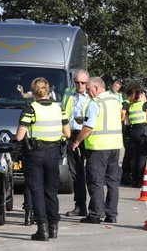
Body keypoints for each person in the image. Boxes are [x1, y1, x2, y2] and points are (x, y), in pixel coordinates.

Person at [14, 77, 68, 241]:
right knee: (51, 191)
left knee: (36, 190)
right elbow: (67, 133)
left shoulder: (31, 108)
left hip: (35, 154)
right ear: (49, 90)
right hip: (53, 153)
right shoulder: (59, 108)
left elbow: (19, 136)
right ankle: (54, 228)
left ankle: (42, 230)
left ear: (33, 91)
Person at [71, 77, 124, 224]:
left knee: (95, 181)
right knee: (112, 181)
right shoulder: (115, 101)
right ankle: (111, 214)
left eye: (88, 89)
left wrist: (76, 141)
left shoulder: (95, 103)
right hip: (114, 146)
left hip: (98, 148)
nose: (87, 93)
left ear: (96, 87)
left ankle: (95, 214)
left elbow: (88, 127)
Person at [120, 81, 147, 189]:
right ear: (141, 95)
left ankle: (134, 181)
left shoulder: (132, 105)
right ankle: (140, 181)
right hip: (143, 132)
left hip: (133, 132)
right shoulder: (146, 104)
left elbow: (127, 121)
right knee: (142, 158)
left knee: (134, 158)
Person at [61, 70, 92, 218]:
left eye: (83, 83)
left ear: (88, 82)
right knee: (76, 173)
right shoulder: (68, 93)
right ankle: (80, 206)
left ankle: (96, 208)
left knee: (91, 174)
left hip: (87, 135)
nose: (80, 85)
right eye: (77, 82)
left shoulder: (92, 96)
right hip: (71, 134)